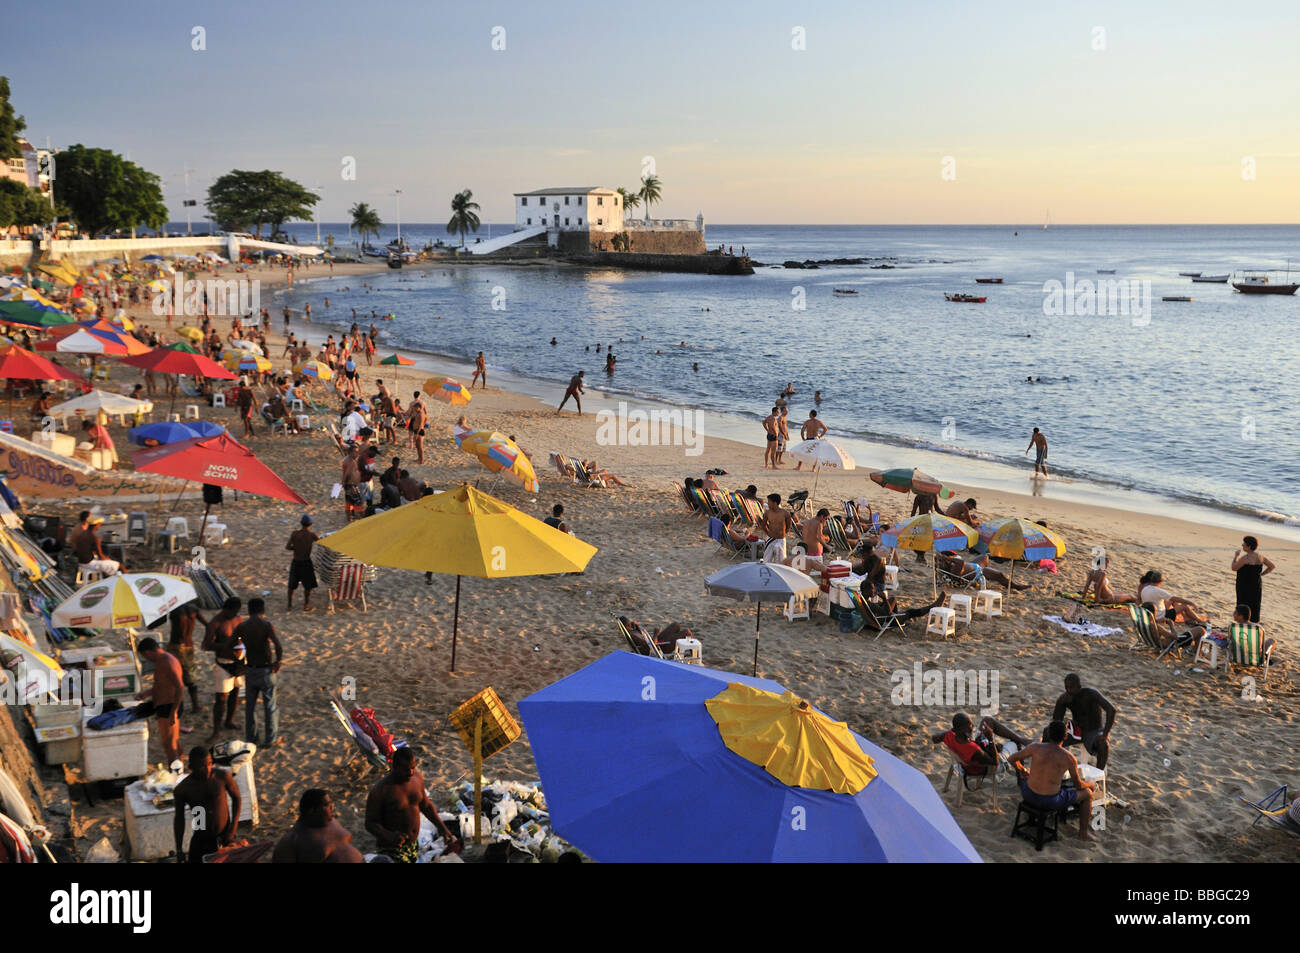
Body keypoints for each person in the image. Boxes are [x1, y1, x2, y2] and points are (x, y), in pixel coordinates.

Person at [365, 747, 461, 862]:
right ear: (394, 767)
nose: (410, 772)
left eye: (413, 767)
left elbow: (426, 805)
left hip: (413, 845)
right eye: (406, 769)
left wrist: (442, 828)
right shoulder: (381, 790)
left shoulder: (417, 779)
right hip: (392, 848)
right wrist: (389, 836)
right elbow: (370, 823)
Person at [1005, 721, 1094, 841]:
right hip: (1050, 801)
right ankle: (1083, 833)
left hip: (1028, 794)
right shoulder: (1068, 757)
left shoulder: (1035, 747)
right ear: (1066, 737)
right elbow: (1078, 784)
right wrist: (1091, 784)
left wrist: (1022, 770)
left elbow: (1011, 759)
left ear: (1048, 733)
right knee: (1088, 794)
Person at [173, 746, 241, 863]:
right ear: (191, 767)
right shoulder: (183, 789)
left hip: (225, 836)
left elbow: (237, 799)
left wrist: (232, 829)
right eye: (202, 766)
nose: (208, 769)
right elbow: (179, 819)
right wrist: (179, 849)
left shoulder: (222, 777)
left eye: (209, 764)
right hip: (201, 838)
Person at [234, 597, 283, 748]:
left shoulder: (242, 627)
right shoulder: (267, 625)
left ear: (249, 610)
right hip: (266, 669)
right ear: (262, 610)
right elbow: (278, 646)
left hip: (251, 669)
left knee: (250, 707)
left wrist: (240, 663)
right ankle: (270, 739)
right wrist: (277, 662)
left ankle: (252, 738)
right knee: (270, 706)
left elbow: (233, 645)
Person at [272, 789, 365, 863]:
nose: (331, 807)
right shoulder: (292, 840)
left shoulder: (333, 822)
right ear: (312, 810)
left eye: (330, 803)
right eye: (326, 805)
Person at [197, 596, 243, 742]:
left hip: (239, 662)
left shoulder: (238, 619)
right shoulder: (215, 623)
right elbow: (206, 645)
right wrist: (226, 645)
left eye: (236, 612)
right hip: (223, 663)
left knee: (235, 693)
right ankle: (216, 731)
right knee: (221, 698)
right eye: (233, 612)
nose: (234, 614)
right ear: (226, 609)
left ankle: (229, 721)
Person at [931, 712, 1032, 776]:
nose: (973, 726)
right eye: (970, 724)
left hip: (970, 754)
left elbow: (934, 738)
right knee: (1015, 743)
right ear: (962, 729)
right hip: (987, 767)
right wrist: (990, 738)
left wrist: (955, 730)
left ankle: (1023, 740)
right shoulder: (972, 749)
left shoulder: (950, 735)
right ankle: (1022, 777)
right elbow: (995, 762)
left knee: (987, 720)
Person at [1051, 674, 1116, 770]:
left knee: (1103, 744)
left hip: (1093, 730)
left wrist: (1105, 733)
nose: (1069, 690)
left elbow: (1111, 710)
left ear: (1079, 687)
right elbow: (1056, 721)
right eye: (1067, 688)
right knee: (1048, 732)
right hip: (1077, 730)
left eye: (1072, 687)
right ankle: (1050, 768)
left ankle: (1098, 776)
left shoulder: (1091, 694)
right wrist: (1061, 704)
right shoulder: (1065, 698)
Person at [137, 637, 184, 766]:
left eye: (145, 656)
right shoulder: (162, 660)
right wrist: (146, 693)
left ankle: (175, 771)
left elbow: (180, 687)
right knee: (174, 741)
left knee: (169, 744)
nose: (146, 659)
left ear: (148, 652)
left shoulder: (167, 662)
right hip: (166, 705)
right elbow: (162, 685)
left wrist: (173, 711)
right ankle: (180, 765)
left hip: (169, 707)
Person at [166, 604, 201, 715]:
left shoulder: (174, 609)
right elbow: (208, 624)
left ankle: (177, 705)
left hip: (176, 646)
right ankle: (196, 705)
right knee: (190, 676)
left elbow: (153, 624)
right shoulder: (194, 608)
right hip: (189, 646)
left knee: (174, 676)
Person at [1137, 570, 1207, 625]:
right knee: (1184, 606)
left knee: (1172, 600)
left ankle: (1186, 618)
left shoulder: (1145, 589)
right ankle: (1200, 621)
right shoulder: (1159, 591)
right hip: (1160, 616)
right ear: (1160, 582)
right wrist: (1190, 602)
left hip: (1149, 613)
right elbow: (1176, 598)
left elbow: (1173, 599)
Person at [935, 551, 1031, 591]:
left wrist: (945, 559)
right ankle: (1017, 586)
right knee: (1000, 575)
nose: (953, 557)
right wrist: (948, 559)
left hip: (972, 565)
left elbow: (961, 562)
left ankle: (988, 577)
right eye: (951, 556)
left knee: (985, 556)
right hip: (978, 571)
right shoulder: (954, 568)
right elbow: (961, 562)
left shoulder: (946, 566)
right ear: (948, 558)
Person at [1231, 536, 1274, 623]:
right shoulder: (1260, 557)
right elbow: (1271, 566)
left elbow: (1234, 568)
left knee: (1242, 603)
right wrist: (1261, 575)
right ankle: (1253, 622)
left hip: (1244, 584)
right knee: (1255, 603)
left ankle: (1242, 621)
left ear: (1249, 546)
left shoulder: (1245, 558)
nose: (1242, 545)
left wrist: (1235, 556)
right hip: (1256, 584)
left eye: (1244, 544)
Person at [286, 515, 320, 611]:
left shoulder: (294, 534)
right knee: (307, 586)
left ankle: (289, 605)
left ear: (301, 523)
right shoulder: (312, 535)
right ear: (311, 524)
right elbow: (323, 542)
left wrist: (296, 548)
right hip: (306, 562)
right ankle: (306, 605)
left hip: (296, 561)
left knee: (291, 585)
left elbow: (288, 547)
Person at [758, 493, 795, 563]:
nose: (768, 503)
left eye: (769, 502)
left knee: (781, 561)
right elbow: (763, 525)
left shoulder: (785, 513)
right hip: (770, 538)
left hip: (781, 539)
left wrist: (783, 534)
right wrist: (768, 533)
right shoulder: (767, 513)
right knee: (767, 560)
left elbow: (788, 526)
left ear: (774, 503)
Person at [406, 392, 428, 464]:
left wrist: (417, 434)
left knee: (420, 446)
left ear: (419, 407)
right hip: (416, 430)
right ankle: (419, 458)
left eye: (416, 408)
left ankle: (421, 460)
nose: (415, 409)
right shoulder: (417, 413)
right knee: (417, 446)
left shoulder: (421, 414)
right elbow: (412, 416)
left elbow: (421, 424)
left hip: (419, 431)